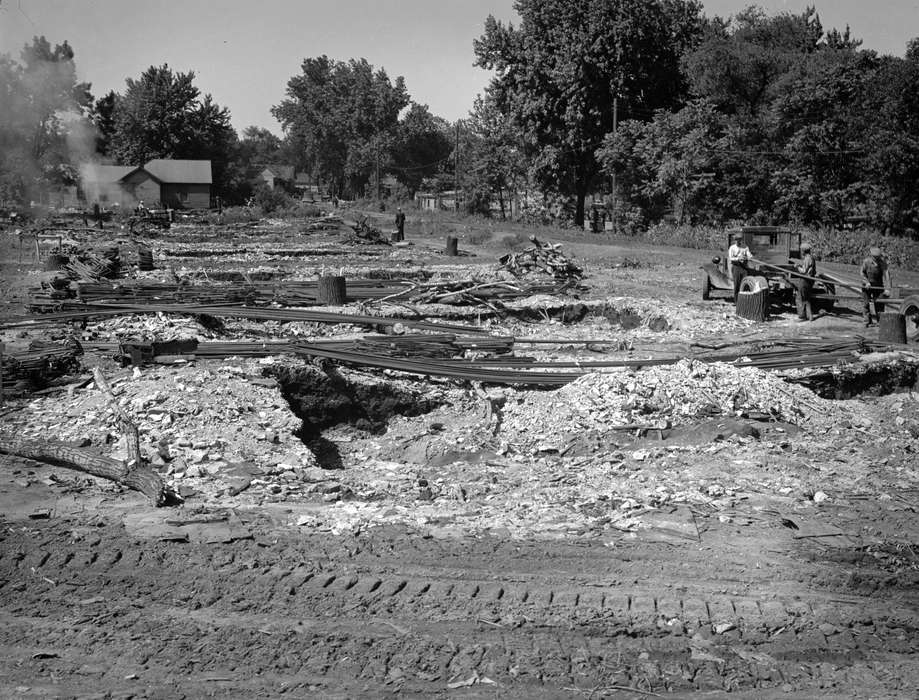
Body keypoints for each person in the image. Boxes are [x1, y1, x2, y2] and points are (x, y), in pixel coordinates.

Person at [860, 246, 891, 327]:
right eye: (875, 257)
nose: (877, 258)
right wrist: (866, 282)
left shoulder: (882, 263)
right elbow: (862, 273)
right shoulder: (866, 262)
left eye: (878, 257)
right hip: (867, 286)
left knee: (879, 304)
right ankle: (867, 321)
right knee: (866, 304)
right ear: (871, 256)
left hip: (878, 286)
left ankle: (880, 322)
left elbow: (887, 276)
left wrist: (888, 289)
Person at [793, 242, 817, 321]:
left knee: (801, 298)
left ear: (803, 251)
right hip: (809, 280)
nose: (801, 251)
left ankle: (803, 316)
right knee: (806, 298)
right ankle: (809, 316)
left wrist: (797, 267)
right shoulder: (811, 258)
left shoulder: (807, 258)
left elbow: (804, 271)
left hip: (805, 280)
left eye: (801, 250)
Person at [728, 233, 750, 301]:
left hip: (744, 267)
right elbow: (731, 258)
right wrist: (738, 259)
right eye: (737, 240)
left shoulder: (745, 247)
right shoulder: (732, 248)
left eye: (739, 239)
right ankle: (737, 301)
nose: (738, 241)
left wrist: (747, 257)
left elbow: (749, 255)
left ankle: (744, 301)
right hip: (736, 267)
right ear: (735, 240)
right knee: (737, 284)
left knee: (745, 284)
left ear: (741, 240)